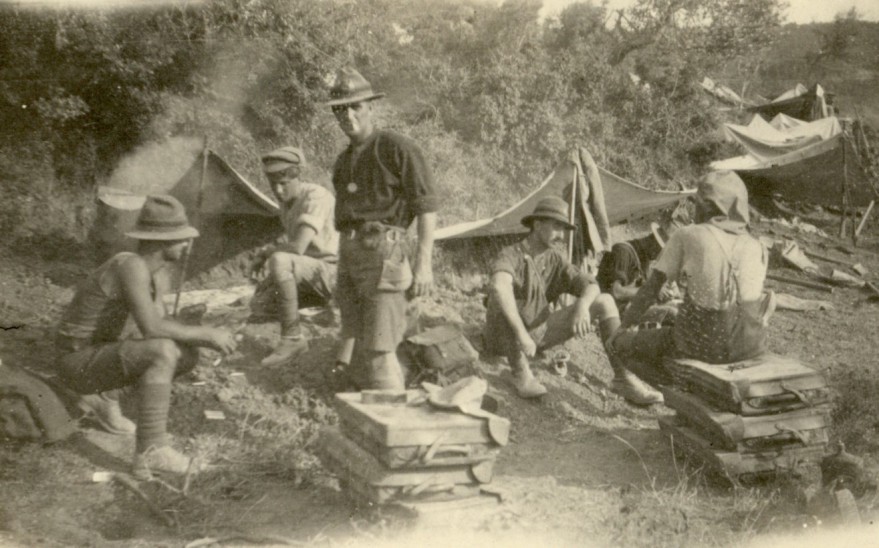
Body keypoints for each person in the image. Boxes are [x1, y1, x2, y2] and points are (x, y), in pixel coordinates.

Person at [55, 195, 237, 478]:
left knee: (185, 353)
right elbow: (153, 329)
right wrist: (206, 333)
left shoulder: (154, 274)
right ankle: (152, 451)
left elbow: (158, 323)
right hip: (75, 361)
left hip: (97, 357)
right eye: (182, 239)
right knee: (163, 351)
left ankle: (103, 397)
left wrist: (194, 330)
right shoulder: (130, 265)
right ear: (162, 240)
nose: (188, 245)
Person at [482, 196, 663, 404]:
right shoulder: (511, 254)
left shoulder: (554, 259)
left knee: (604, 301)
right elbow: (498, 285)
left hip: (535, 335)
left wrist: (583, 307)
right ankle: (519, 371)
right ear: (538, 225)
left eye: (563, 230)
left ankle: (624, 378)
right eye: (556, 228)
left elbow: (592, 284)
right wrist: (522, 335)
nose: (561, 236)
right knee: (501, 294)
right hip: (503, 338)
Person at [325, 67, 438, 391]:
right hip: (350, 255)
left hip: (384, 254)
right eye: (340, 109)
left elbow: (426, 207)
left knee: (378, 350)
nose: (347, 115)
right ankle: (382, 422)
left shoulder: (395, 147)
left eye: (355, 106)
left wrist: (424, 263)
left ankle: (399, 432)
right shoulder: (343, 161)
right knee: (360, 348)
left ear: (371, 107)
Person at [607, 171, 774, 385]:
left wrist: (623, 327)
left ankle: (677, 388)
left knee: (620, 344)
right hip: (750, 347)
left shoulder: (688, 235)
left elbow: (649, 291)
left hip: (702, 345)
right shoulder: (757, 246)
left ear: (705, 205)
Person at [251, 146, 339, 367]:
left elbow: (298, 247)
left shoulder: (315, 196)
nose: (279, 191)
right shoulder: (286, 203)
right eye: (274, 185)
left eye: (284, 184)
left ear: (297, 176)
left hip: (334, 272)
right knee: (259, 304)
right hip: (308, 273)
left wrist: (266, 252)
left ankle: (292, 339)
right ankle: (325, 306)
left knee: (279, 260)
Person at [596, 220, 681, 325]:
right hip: (611, 313)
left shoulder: (644, 260)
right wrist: (653, 291)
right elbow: (617, 292)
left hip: (629, 310)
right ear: (655, 244)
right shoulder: (622, 252)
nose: (661, 258)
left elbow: (640, 291)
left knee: (678, 309)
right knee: (672, 314)